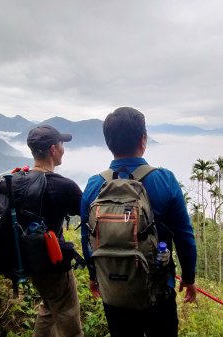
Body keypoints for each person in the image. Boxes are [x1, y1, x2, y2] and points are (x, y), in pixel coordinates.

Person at [80, 107, 198, 337]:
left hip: (114, 292)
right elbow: (185, 236)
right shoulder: (165, 180)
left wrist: (94, 277)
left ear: (108, 143)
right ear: (143, 139)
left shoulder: (94, 186)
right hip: (158, 292)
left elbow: (88, 239)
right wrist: (189, 277)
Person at [25, 125, 84, 337]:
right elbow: (88, 212)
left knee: (50, 306)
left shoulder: (19, 181)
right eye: (61, 145)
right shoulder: (63, 186)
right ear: (53, 150)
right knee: (68, 317)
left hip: (29, 261)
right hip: (53, 264)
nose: (63, 150)